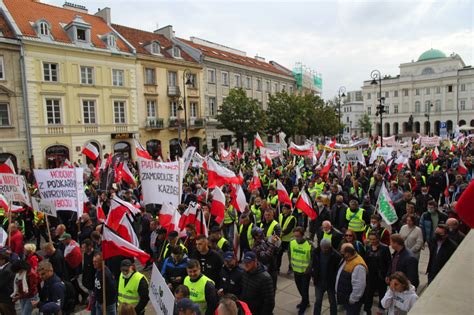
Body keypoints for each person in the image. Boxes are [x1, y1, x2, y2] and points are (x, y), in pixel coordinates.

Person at [363, 231, 392, 315]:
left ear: (378, 239)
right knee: (368, 293)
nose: (372, 241)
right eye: (371, 239)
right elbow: (366, 259)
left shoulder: (384, 248)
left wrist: (388, 274)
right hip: (370, 275)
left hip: (381, 275)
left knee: (382, 293)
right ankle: (367, 310)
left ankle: (381, 309)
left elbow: (389, 262)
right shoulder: (368, 246)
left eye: (374, 239)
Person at [335, 243, 367, 315]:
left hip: (352, 302)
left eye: (342, 253)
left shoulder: (358, 266)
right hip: (345, 298)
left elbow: (359, 286)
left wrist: (352, 299)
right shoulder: (347, 259)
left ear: (347, 253)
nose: (341, 254)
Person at [312, 238, 342, 315]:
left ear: (330, 246)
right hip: (319, 282)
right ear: (320, 246)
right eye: (323, 247)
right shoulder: (316, 252)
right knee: (318, 301)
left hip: (330, 283)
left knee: (332, 302)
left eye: (326, 248)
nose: (324, 249)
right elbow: (313, 265)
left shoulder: (336, 256)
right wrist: (313, 275)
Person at [289, 227, 312, 314]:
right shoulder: (292, 242)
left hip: (305, 272)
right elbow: (289, 253)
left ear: (303, 235)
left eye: (298, 236)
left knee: (304, 290)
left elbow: (312, 258)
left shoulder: (309, 244)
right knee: (299, 288)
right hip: (296, 270)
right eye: (295, 236)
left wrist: (309, 269)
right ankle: (306, 301)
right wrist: (291, 264)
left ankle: (304, 306)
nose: (296, 238)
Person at [60, 232, 88, 304]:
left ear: (68, 239)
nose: (62, 241)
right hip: (74, 269)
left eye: (63, 240)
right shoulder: (73, 244)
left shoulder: (71, 248)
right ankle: (77, 298)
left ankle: (83, 295)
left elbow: (70, 259)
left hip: (73, 270)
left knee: (75, 285)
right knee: (74, 284)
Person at [277, 203, 296, 274]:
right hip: (281, 239)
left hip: (288, 240)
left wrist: (282, 233)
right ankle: (277, 268)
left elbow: (289, 229)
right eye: (282, 208)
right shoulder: (280, 215)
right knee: (279, 254)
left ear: (289, 210)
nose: (282, 210)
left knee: (290, 255)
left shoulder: (292, 218)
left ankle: (290, 268)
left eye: (284, 209)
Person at [0, 249, 15, 315]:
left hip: (5, 298)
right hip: (5, 297)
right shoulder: (8, 266)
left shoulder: (6, 271)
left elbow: (1, 283)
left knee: (8, 312)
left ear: (3, 260)